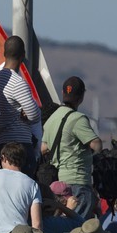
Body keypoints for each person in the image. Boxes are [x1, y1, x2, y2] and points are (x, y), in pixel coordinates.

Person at [40, 77, 102, 220]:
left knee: (63, 226)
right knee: (75, 229)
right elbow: (96, 144)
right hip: (77, 182)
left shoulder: (52, 118)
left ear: (63, 93)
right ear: (81, 97)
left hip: (58, 184)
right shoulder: (78, 119)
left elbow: (43, 148)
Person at [0, 37, 39, 162]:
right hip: (19, 145)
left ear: (4, 54)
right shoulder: (17, 83)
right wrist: (24, 112)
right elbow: (34, 116)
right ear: (23, 55)